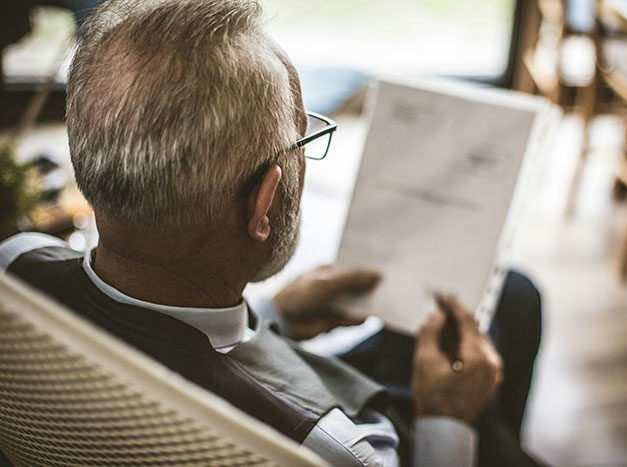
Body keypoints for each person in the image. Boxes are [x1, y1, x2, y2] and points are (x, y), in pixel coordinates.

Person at [0, 0, 543, 465]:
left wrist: (276, 318)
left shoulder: (14, 266)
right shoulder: (342, 449)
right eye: (301, 140)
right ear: (264, 202)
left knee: (510, 295)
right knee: (509, 312)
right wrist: (448, 422)